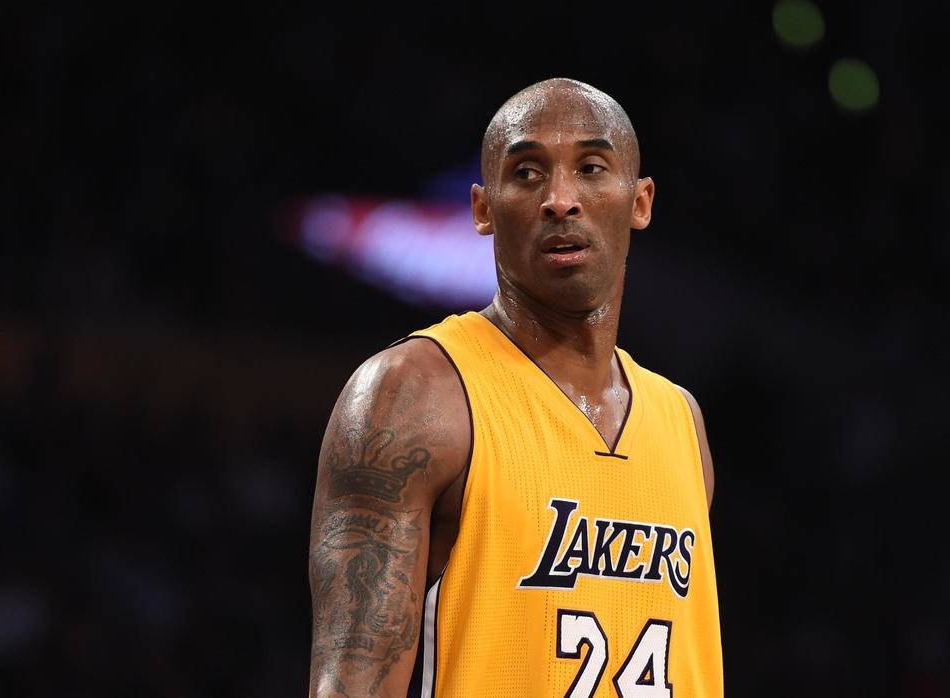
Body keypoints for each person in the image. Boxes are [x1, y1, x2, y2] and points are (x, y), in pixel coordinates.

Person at [307, 76, 723, 697]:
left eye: (590, 168)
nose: (560, 198)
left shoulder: (681, 422)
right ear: (482, 209)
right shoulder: (414, 394)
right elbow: (352, 684)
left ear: (640, 202)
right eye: (527, 172)